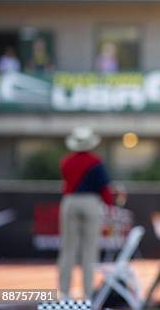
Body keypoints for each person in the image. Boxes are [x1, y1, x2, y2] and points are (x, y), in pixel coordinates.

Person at [58, 127, 114, 299]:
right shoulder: (95, 161)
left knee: (68, 249)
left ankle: (64, 292)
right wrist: (110, 204)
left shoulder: (66, 161)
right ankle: (88, 293)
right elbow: (104, 188)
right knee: (90, 250)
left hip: (70, 202)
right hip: (90, 202)